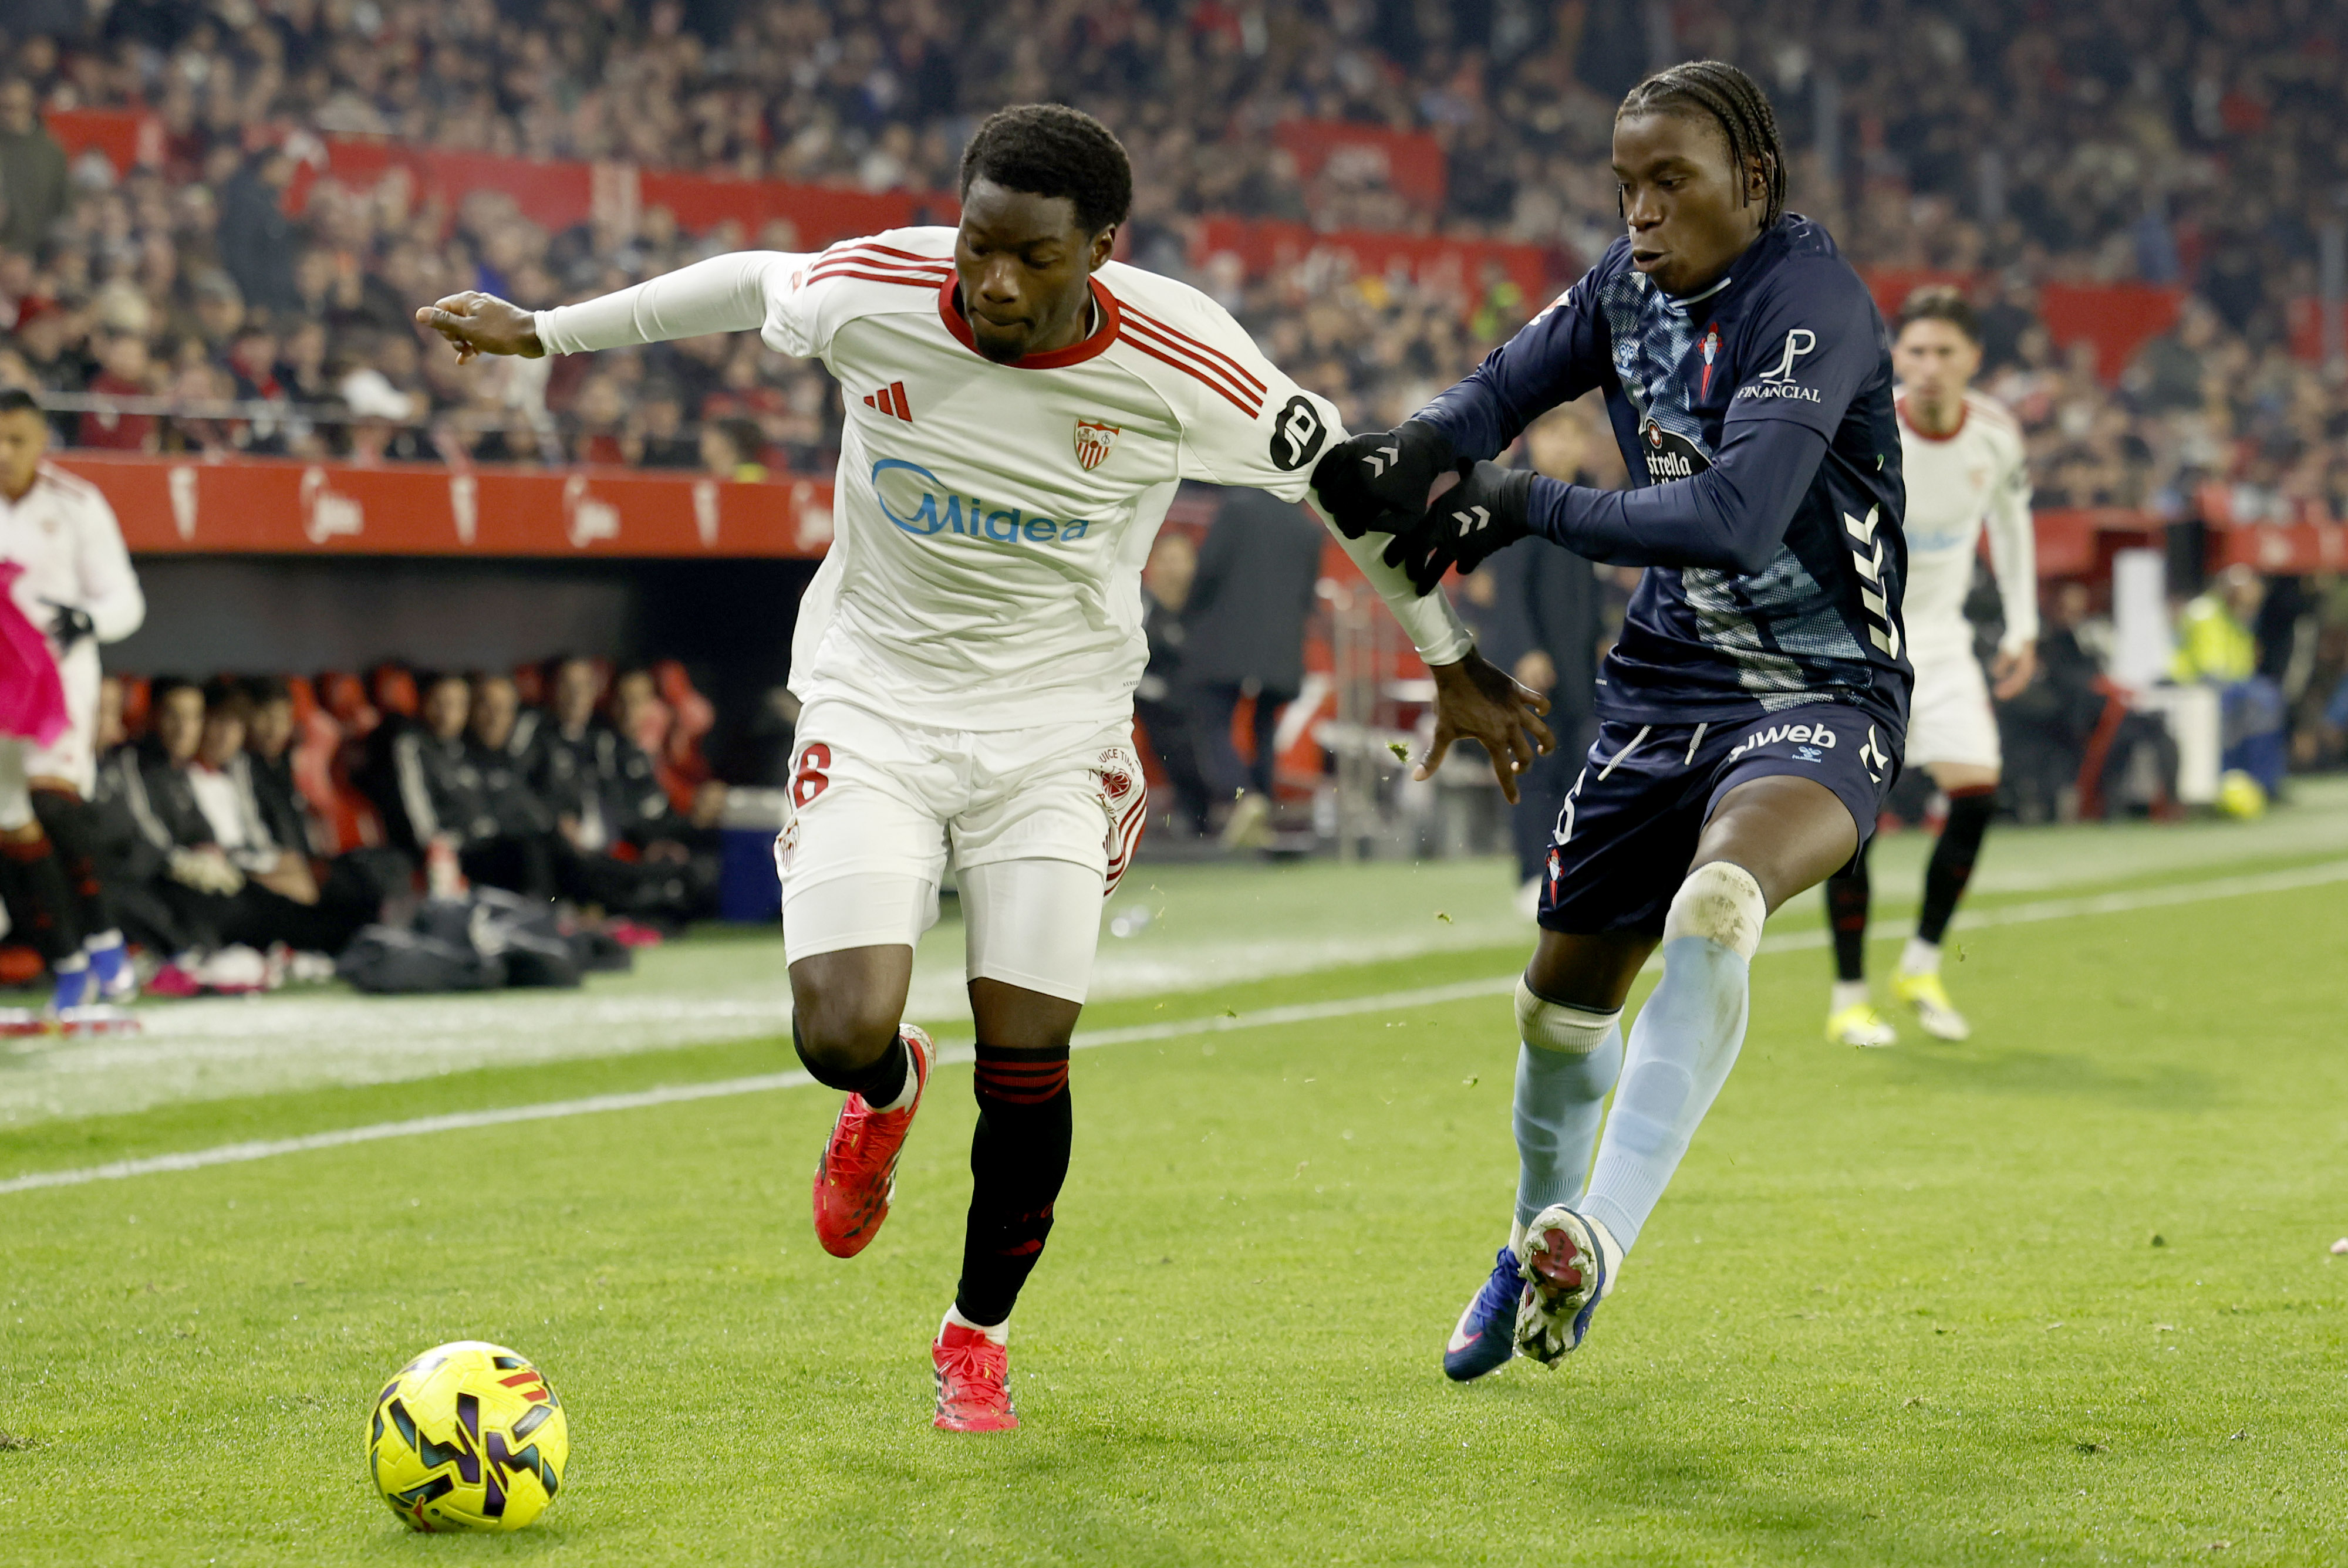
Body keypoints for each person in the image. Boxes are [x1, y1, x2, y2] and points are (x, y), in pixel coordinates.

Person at [419, 103, 1547, 1431]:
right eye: (977, 245)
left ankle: (977, 1331)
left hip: (1055, 733)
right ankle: (890, 1086)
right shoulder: (877, 291)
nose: (995, 282)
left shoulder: (1186, 358)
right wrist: (545, 331)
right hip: (878, 696)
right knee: (835, 1028)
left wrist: (1447, 651)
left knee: (1032, 1053)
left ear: (1101, 252)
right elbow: (737, 289)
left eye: (1033, 258)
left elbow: (1350, 486)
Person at [1317, 60, 1908, 1381]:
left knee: (1718, 904)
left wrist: (1521, 502)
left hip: (1822, 687)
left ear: (1750, 183)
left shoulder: (1809, 302)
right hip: (1663, 686)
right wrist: (1417, 449)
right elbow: (1491, 390)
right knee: (1553, 1017)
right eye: (1623, 187)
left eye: (1668, 184)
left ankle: (1600, 1227)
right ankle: (1534, 1239)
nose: (1638, 214)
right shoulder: (1622, 286)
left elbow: (1732, 519)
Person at [1818, 287, 2034, 1047]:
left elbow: (2011, 525)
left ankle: (1921, 962)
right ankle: (1849, 995)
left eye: (1946, 352)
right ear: (1895, 358)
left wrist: (2024, 626)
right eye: (1916, 352)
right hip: (1860, 646)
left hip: (1941, 642)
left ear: (1974, 360)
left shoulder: (1998, 435)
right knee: (1852, 823)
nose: (1931, 366)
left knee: (1977, 792)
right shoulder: (1864, 429)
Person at [0, 386, 139, 1012]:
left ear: (41, 441)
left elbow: (125, 600)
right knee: (12, 826)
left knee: (54, 803)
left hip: (60, 683)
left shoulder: (78, 504)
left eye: (17, 440)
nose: (4, 452)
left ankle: (107, 938)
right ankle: (68, 960)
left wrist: (88, 620)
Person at [1178, 486, 1327, 847]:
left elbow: (1209, 570)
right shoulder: (1307, 527)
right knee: (1264, 729)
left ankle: (1244, 796)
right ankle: (1261, 809)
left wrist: (1186, 618)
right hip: (1282, 651)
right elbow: (1307, 597)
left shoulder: (1236, 509)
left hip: (1227, 643)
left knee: (1211, 716)